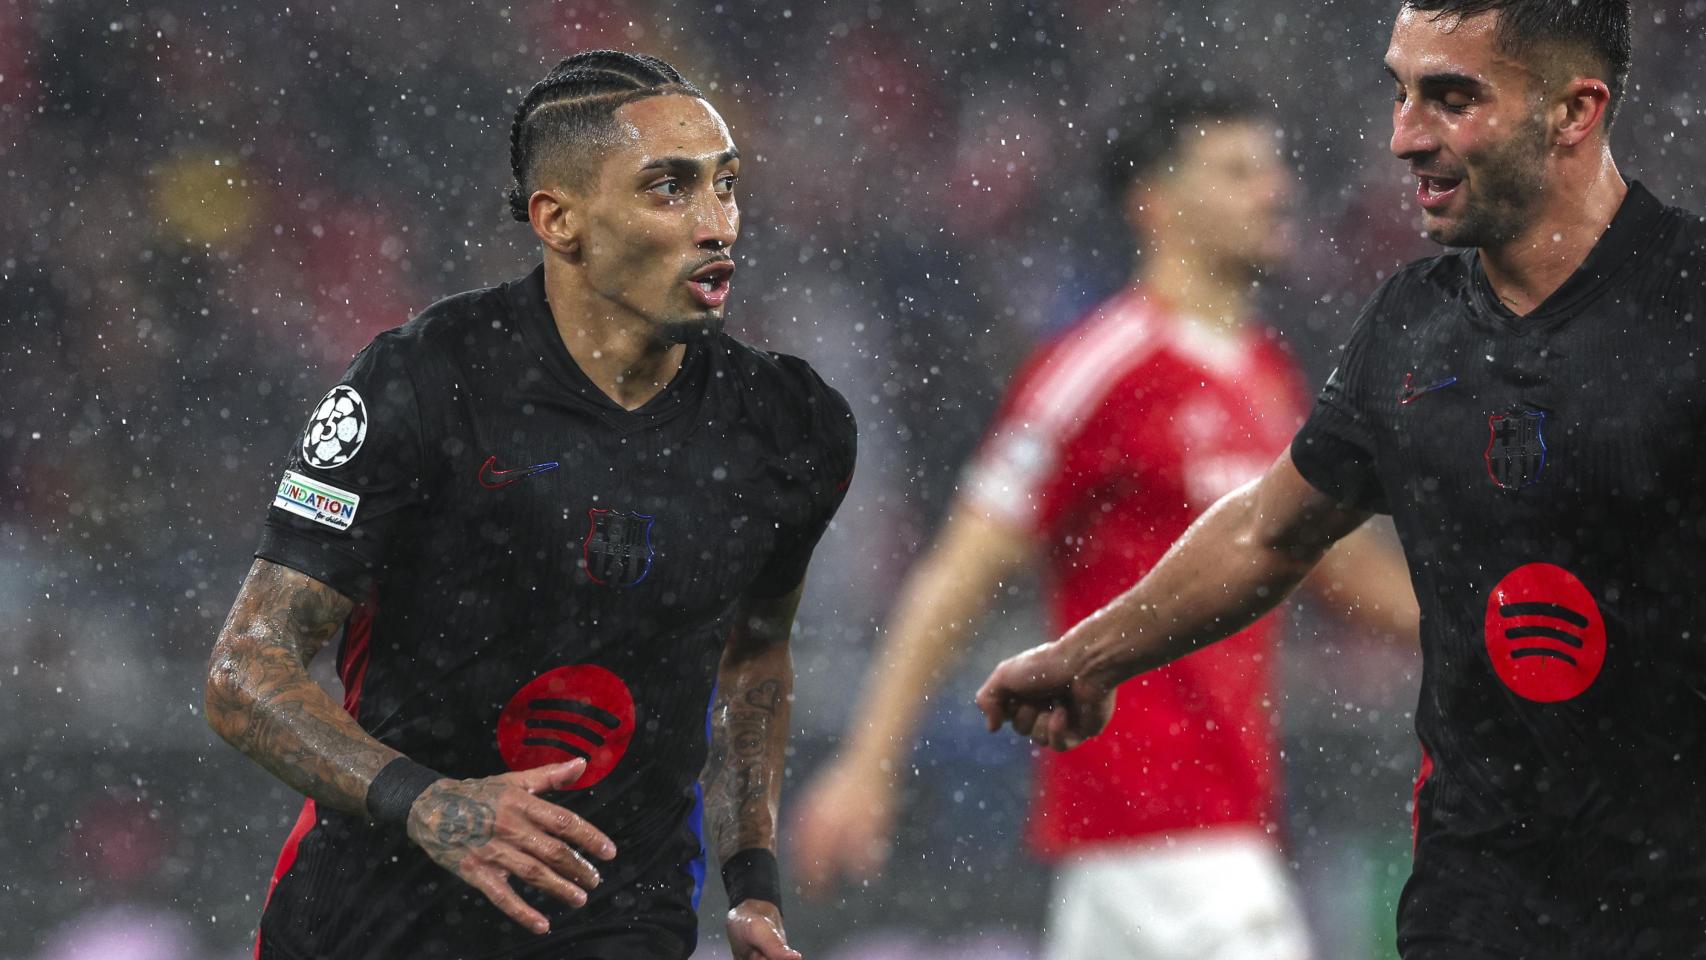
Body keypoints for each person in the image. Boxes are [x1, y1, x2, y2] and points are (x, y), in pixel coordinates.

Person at [979, 1, 1706, 956]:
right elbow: (1270, 533)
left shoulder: (1688, 307)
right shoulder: (1411, 329)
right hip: (1475, 904)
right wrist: (1087, 657)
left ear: (1574, 111)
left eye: (1451, 99)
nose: (1405, 137)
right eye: (1400, 94)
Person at [205, 50, 855, 960]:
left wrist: (753, 888)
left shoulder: (791, 427)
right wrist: (426, 803)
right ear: (560, 219)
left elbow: (756, 657)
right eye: (670, 189)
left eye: (727, 186)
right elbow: (244, 672)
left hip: (621, 921)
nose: (718, 225)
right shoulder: (422, 383)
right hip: (376, 922)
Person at [791, 88, 1417, 959]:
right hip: (1158, 829)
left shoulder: (1267, 376)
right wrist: (869, 761)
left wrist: (1482, 625)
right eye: (1237, 170)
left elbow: (1334, 565)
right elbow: (962, 571)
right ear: (1154, 203)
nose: (1274, 189)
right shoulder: (1099, 367)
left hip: (1192, 834)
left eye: (1272, 167)